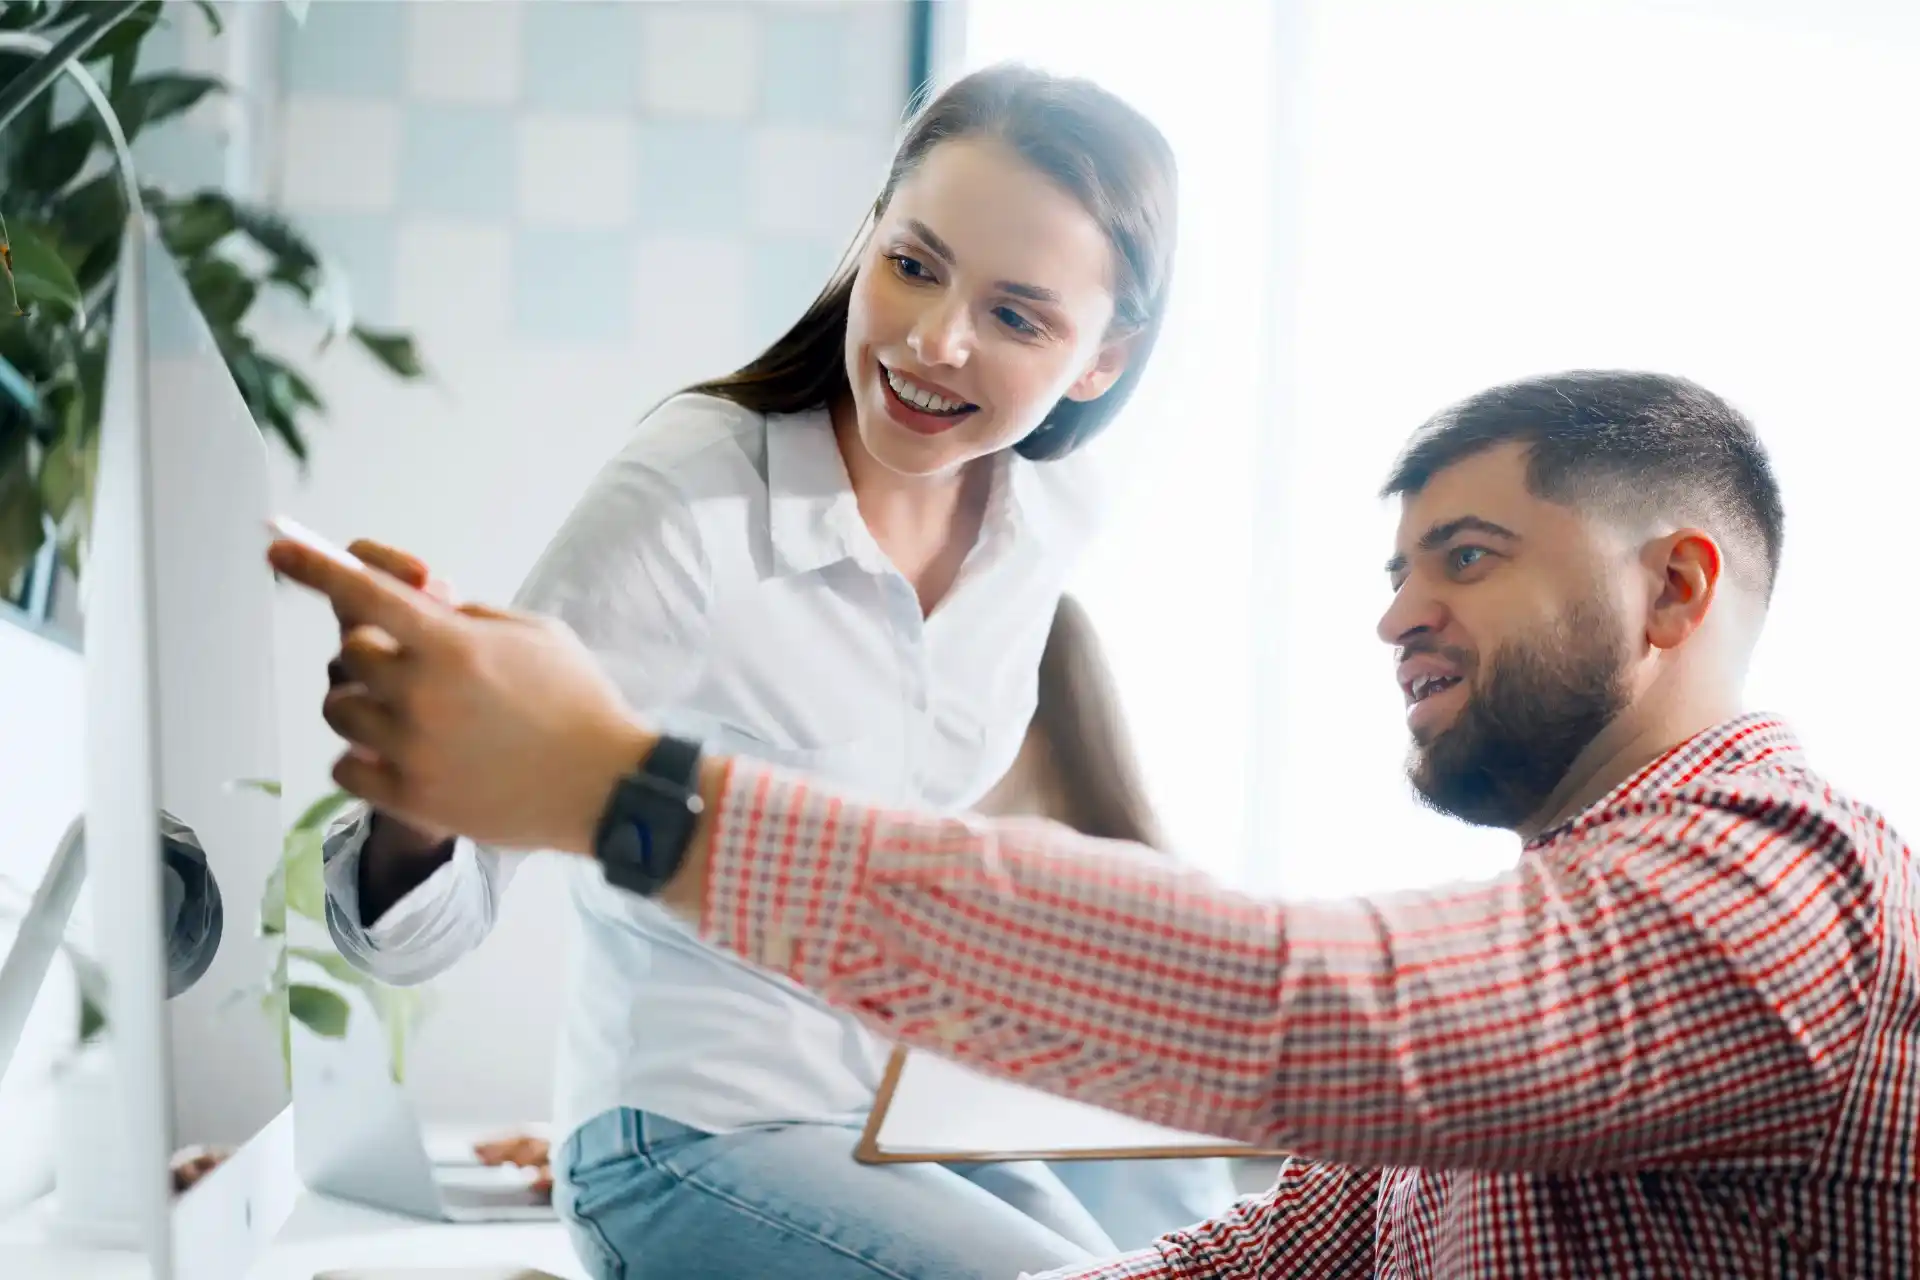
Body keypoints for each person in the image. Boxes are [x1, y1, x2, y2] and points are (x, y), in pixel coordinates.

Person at [275, 369, 1918, 1279]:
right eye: (1398, 569)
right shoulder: (1578, 938)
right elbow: (1294, 1247)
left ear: (1674, 587)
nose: (1399, 617)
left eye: (1468, 557)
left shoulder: (1778, 891)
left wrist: (624, 797)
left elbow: (1295, 1007)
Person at [313, 63, 1231, 1280]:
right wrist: (419, 783)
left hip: (895, 1121)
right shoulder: (693, 497)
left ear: (1100, 361)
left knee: (1184, 1262)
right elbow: (414, 929)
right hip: (682, 1129)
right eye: (914, 264)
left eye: (1018, 317)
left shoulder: (1048, 516)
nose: (934, 338)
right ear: (868, 243)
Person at [467, 594, 1220, 1243]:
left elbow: (958, 1132)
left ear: (1027, 715)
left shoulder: (1105, 920)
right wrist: (668, 1141)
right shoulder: (971, 902)